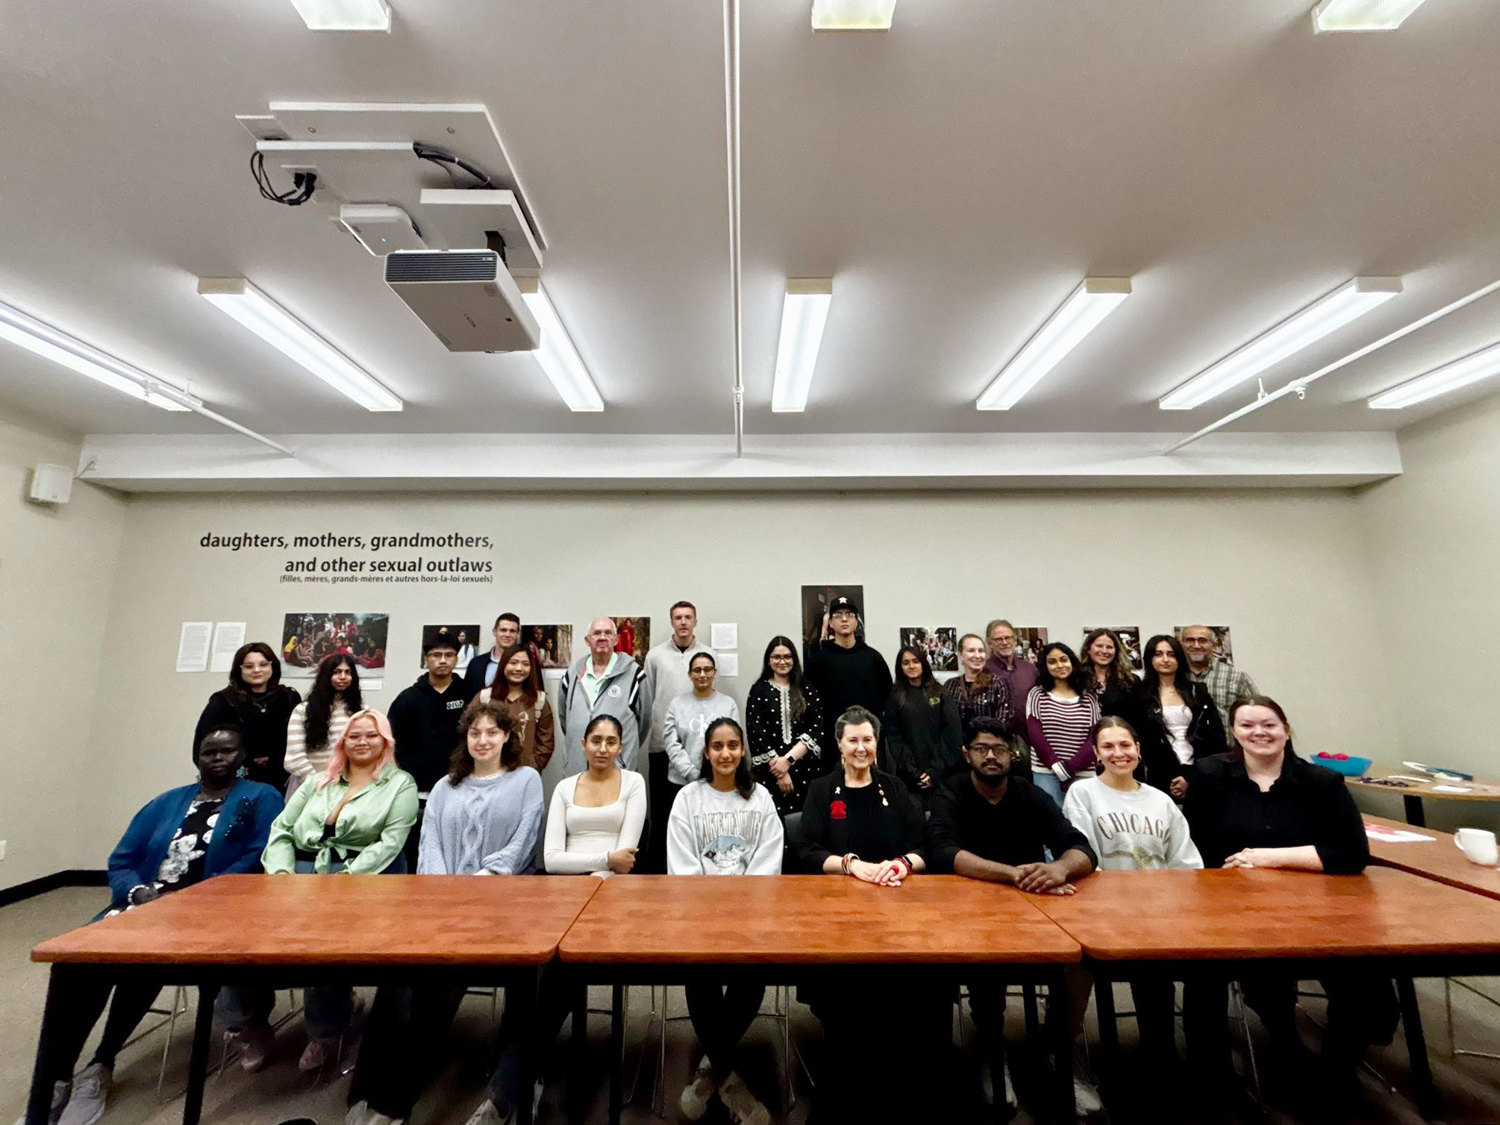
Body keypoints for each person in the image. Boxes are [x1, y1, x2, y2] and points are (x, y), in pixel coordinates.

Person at [28, 727, 280, 1125]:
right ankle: (52, 1084)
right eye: (208, 752)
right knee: (74, 965)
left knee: (141, 960)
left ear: (242, 755)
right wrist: (139, 894)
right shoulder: (166, 802)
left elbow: (255, 857)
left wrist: (191, 899)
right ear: (196, 758)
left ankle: (100, 1063)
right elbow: (122, 860)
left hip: (207, 910)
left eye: (226, 751)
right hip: (143, 904)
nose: (217, 758)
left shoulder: (260, 797)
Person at [1182, 697, 1399, 1108]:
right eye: (1246, 726)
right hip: (1233, 903)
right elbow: (1195, 845)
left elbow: (1352, 852)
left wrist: (1267, 857)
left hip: (1319, 905)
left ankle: (1337, 1070)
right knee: (1208, 969)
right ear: (1234, 733)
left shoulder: (1322, 781)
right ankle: (1269, 1049)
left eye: (1268, 724)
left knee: (1361, 975)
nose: (1258, 733)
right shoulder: (1212, 775)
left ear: (1286, 729)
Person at [347, 699, 543, 1125]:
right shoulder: (443, 786)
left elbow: (523, 844)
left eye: (492, 732)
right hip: (441, 910)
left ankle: (393, 1106)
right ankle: (360, 1096)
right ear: (466, 738)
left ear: (507, 737)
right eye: (476, 733)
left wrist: (481, 884)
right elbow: (429, 847)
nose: (483, 740)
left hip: (498, 912)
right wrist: (444, 898)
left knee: (438, 991)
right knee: (397, 983)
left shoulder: (526, 780)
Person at [929, 716, 1101, 1115]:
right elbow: (942, 851)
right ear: (966, 754)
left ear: (1012, 754)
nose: (991, 756)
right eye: (981, 749)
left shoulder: (1028, 794)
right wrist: (1011, 874)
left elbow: (1079, 846)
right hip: (971, 911)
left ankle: (1059, 1048)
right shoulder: (950, 792)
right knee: (987, 965)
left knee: (1079, 962)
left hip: (1033, 909)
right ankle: (993, 1053)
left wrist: (1059, 868)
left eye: (1000, 749)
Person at [794, 706, 935, 1122]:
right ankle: (843, 1092)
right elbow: (806, 850)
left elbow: (926, 846)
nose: (861, 747)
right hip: (837, 915)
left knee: (908, 995)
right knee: (847, 1002)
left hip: (895, 908)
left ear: (876, 743)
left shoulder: (894, 787)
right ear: (839, 744)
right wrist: (851, 864)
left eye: (867, 739)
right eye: (852, 740)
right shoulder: (822, 790)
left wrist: (903, 864)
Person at [262, 710, 418, 1071]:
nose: (362, 741)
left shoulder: (401, 784)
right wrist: (282, 875)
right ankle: (249, 1023)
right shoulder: (317, 780)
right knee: (248, 940)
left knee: (325, 946)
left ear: (386, 742)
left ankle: (326, 1032)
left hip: (361, 878)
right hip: (299, 874)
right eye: (355, 735)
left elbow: (390, 844)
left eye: (371, 735)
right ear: (342, 742)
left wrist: (340, 880)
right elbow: (282, 830)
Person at [1063, 717, 1202, 1077]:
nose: (1118, 753)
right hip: (1106, 915)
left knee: (1174, 974)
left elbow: (1186, 863)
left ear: (1138, 749)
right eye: (1108, 746)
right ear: (1096, 753)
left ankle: (1165, 1061)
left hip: (1159, 915)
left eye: (1125, 745)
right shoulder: (1083, 794)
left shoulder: (1160, 801)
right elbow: (1083, 858)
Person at [667, 717, 782, 1125]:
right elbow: (682, 865)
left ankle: (709, 1068)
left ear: (743, 750)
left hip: (752, 912)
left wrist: (742, 909)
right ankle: (728, 1077)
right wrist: (709, 910)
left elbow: (769, 860)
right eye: (718, 746)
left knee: (754, 974)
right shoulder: (687, 799)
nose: (726, 753)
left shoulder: (760, 797)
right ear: (706, 753)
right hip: (698, 913)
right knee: (699, 972)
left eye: (734, 745)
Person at [388, 633, 477, 869]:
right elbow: (390, 744)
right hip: (418, 794)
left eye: (449, 655)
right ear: (426, 660)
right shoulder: (407, 699)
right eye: (436, 655)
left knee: (458, 853)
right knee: (418, 852)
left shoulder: (469, 695)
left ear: (457, 660)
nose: (442, 660)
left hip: (462, 788)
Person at [642, 601, 714, 872]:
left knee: (699, 815)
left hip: (699, 749)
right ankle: (661, 871)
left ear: (696, 621)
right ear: (671, 622)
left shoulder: (707, 654)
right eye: (678, 617)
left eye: (688, 617)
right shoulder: (655, 656)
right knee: (663, 815)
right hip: (662, 746)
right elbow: (648, 697)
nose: (683, 622)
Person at [544, 714, 648, 876]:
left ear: (620, 747)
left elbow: (623, 862)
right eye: (596, 741)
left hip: (612, 882)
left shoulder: (634, 782)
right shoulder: (563, 788)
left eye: (611, 742)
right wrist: (607, 859)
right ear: (583, 744)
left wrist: (601, 869)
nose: (602, 749)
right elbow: (551, 861)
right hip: (566, 881)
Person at [192, 641, 302, 790]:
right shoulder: (223, 701)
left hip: (282, 780)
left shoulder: (289, 698)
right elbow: (202, 746)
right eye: (249, 666)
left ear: (273, 666)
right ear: (239, 670)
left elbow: (300, 742)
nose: (257, 670)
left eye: (263, 664)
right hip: (236, 781)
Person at [1134, 634, 1226, 799]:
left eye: (1171, 654)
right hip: (1160, 774)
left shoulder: (1198, 692)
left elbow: (1216, 737)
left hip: (1200, 771)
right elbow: (1142, 741)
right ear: (1149, 659)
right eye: (1158, 654)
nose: (1165, 659)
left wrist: (1191, 776)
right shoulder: (1140, 695)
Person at [745, 635, 826, 818]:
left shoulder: (808, 689)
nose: (782, 661)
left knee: (805, 821)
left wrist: (788, 760)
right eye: (776, 657)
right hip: (769, 772)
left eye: (787, 656)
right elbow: (756, 733)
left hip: (805, 768)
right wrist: (780, 772)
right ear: (768, 660)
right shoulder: (759, 690)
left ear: (794, 659)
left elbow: (816, 728)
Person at [558, 617, 651, 774]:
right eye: (596, 633)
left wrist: (623, 757)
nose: (602, 637)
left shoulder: (634, 674)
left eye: (608, 633)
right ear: (587, 640)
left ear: (616, 639)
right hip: (577, 771)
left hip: (618, 771)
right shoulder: (572, 674)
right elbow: (564, 717)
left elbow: (644, 722)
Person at [803, 595, 892, 753]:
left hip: (868, 743)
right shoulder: (817, 661)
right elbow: (809, 704)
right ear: (830, 622)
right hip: (831, 744)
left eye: (849, 614)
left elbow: (888, 700)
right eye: (838, 615)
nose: (844, 619)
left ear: (856, 621)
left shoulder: (873, 658)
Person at [884, 643, 963, 801]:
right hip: (910, 779)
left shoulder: (940, 693)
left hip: (942, 776)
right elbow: (894, 739)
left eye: (915, 661)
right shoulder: (895, 697)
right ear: (900, 667)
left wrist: (934, 771)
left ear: (923, 663)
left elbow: (952, 735)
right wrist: (914, 772)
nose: (911, 666)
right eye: (905, 663)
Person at [1023, 642, 1101, 803]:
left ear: (1072, 661)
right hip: (1046, 771)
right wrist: (1056, 766)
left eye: (1064, 660)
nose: (1059, 665)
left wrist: (1070, 767)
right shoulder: (1037, 694)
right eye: (1052, 662)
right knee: (1051, 821)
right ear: (1045, 666)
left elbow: (1094, 737)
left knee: (1081, 822)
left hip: (1083, 771)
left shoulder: (1088, 697)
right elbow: (1036, 736)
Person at [283, 653, 362, 795]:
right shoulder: (303, 710)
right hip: (309, 787)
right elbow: (293, 759)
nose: (343, 677)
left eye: (348, 672)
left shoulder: (361, 712)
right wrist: (321, 784)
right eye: (337, 672)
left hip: (349, 788)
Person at [663, 651, 741, 792]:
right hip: (681, 782)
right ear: (690, 674)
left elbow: (734, 742)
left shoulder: (728, 704)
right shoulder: (676, 704)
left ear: (715, 672)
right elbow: (671, 743)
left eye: (708, 670)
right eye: (697, 670)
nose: (702, 675)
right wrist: (690, 773)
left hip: (719, 780)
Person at [1180, 624, 1260, 739]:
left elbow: (1257, 714)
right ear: (1181, 644)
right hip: (1184, 752)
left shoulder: (1236, 677)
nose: (1196, 645)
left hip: (1226, 751)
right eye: (1190, 640)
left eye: (1202, 641)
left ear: (1213, 644)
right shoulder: (1172, 678)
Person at [943, 632, 1017, 756]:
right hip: (957, 753)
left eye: (981, 651)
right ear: (960, 656)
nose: (977, 655)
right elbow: (945, 723)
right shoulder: (950, 685)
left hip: (989, 754)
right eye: (971, 651)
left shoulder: (999, 684)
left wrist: (978, 747)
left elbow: (1002, 723)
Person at [485, 642, 556, 772]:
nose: (519, 668)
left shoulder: (539, 700)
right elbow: (468, 733)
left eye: (525, 664)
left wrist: (534, 766)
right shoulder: (485, 698)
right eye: (513, 662)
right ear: (503, 665)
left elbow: (546, 742)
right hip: (489, 771)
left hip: (526, 772)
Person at [1080, 627, 1137, 720]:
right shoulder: (1076, 679)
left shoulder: (1130, 681)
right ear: (1088, 649)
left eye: (1109, 647)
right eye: (1099, 646)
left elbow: (1139, 718)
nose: (1104, 651)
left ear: (1116, 651)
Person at [984, 619, 1039, 708]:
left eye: (1008, 638)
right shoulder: (983, 671)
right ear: (990, 643)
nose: (1005, 642)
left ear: (1015, 640)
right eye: (999, 639)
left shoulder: (1030, 669)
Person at [464, 613, 523, 694]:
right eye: (503, 630)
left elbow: (536, 695)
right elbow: (467, 696)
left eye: (512, 631)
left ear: (518, 634)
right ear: (495, 632)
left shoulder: (528, 664)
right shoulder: (475, 663)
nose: (507, 635)